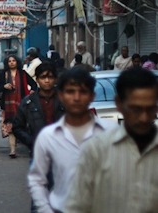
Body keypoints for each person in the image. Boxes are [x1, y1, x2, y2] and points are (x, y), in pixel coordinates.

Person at [65, 68, 158, 213]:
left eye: (150, 109)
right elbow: (77, 205)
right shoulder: (96, 150)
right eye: (135, 109)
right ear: (119, 104)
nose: (144, 118)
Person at [27, 68, 111, 213]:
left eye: (83, 92)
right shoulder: (48, 136)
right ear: (61, 95)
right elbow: (37, 180)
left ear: (92, 96)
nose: (76, 97)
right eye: (70, 91)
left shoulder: (110, 132)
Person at [12, 62, 65, 156]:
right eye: (43, 77)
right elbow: (17, 127)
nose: (47, 81)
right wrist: (32, 142)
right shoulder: (28, 102)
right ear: (37, 80)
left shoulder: (65, 100)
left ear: (55, 79)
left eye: (50, 77)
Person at [0, 55, 35, 158]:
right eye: (9, 61)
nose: (12, 63)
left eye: (14, 61)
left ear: (17, 62)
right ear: (7, 63)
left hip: (21, 105)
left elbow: (34, 84)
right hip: (7, 105)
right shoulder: (3, 74)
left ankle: (30, 146)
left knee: (21, 126)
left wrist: (31, 92)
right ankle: (12, 150)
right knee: (10, 126)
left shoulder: (23, 74)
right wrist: (4, 86)